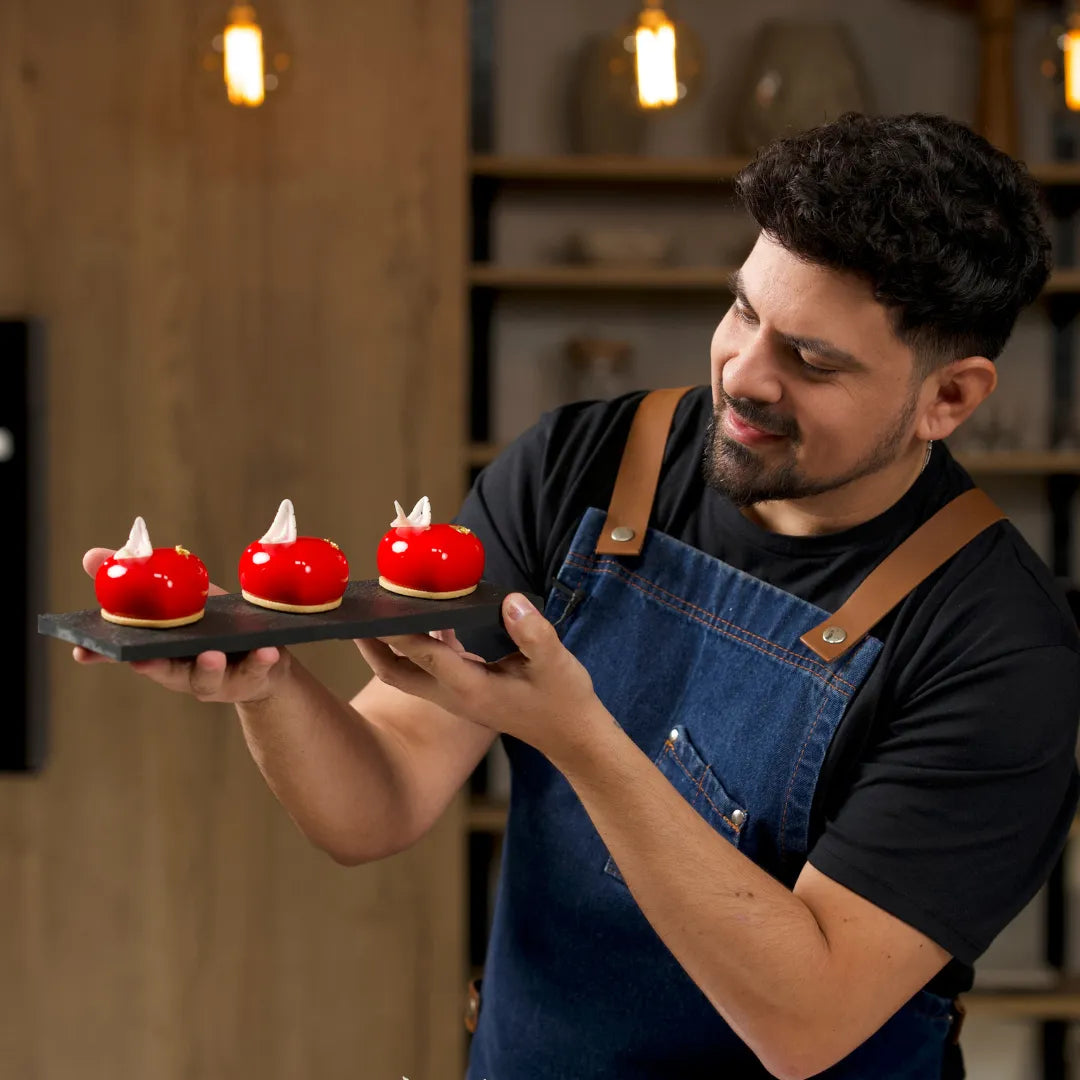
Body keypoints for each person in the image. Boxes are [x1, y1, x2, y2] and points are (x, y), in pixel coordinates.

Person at [76, 112, 1080, 1079]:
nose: (745, 375)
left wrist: (577, 734)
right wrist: (267, 688)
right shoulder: (586, 466)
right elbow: (376, 800)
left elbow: (803, 1020)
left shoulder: (999, 651)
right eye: (743, 311)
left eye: (812, 361)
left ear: (948, 399)